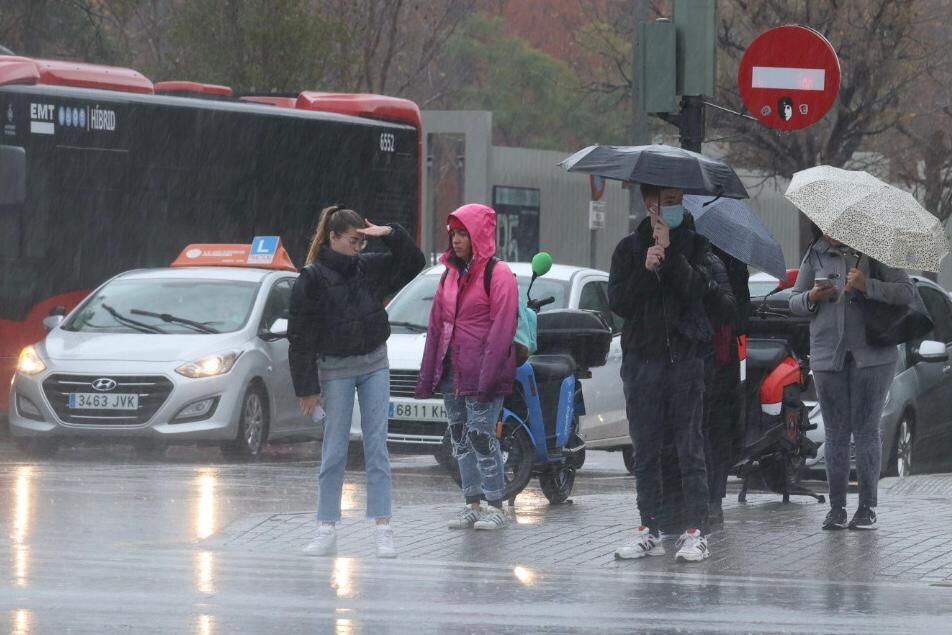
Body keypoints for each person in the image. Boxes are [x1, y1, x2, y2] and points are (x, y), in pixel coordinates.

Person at [289, 205, 425, 557]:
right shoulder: (312, 278)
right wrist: (307, 389)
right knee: (334, 449)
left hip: (375, 364)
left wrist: (390, 232)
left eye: (362, 242)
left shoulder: (370, 268)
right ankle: (325, 526)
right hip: (335, 369)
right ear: (332, 238)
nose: (358, 248)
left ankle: (384, 527)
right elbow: (300, 336)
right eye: (353, 241)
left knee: (376, 446)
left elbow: (414, 262)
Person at [608, 184, 714, 563]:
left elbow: (700, 291)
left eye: (676, 201)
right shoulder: (628, 248)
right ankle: (647, 526)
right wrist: (645, 267)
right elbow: (618, 301)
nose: (671, 208)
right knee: (646, 448)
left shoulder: (697, 244)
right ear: (647, 204)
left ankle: (695, 530)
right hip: (642, 361)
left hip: (684, 359)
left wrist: (670, 260)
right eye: (663, 202)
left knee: (689, 446)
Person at [789, 232, 914, 530]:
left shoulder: (877, 247)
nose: (830, 230)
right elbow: (793, 300)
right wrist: (811, 298)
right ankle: (836, 508)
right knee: (836, 433)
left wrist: (866, 285)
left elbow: (907, 292)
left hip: (873, 356)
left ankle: (867, 508)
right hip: (827, 355)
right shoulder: (815, 253)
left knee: (866, 430)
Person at [416, 204, 518, 531]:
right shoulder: (449, 275)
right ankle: (472, 503)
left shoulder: (498, 274)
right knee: (460, 437)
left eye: (463, 233)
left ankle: (495, 505)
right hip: (452, 372)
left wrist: (489, 375)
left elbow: (502, 327)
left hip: (481, 372)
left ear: (478, 235)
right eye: (454, 234)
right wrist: (430, 372)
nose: (457, 240)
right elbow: (436, 326)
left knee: (482, 437)